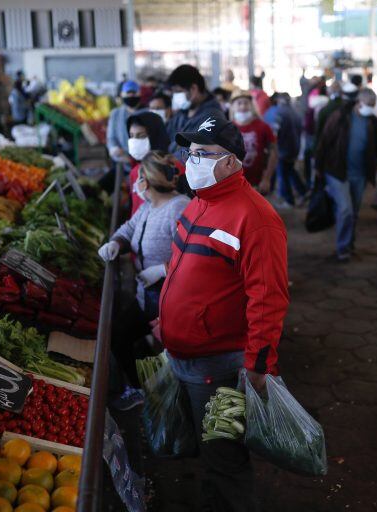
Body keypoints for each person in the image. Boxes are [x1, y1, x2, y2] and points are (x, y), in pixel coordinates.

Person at [157, 111, 289, 511]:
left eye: (203, 153)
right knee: (207, 448)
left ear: (231, 160)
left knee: (224, 458)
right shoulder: (199, 203)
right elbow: (181, 268)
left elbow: (269, 298)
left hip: (220, 366)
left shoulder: (256, 219)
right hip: (184, 355)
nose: (191, 161)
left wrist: (259, 365)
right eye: (190, 152)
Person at [99, 151, 190, 409]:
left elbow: (194, 258)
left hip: (171, 300)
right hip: (145, 296)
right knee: (118, 336)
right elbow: (129, 228)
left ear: (147, 182)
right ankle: (143, 391)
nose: (136, 183)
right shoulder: (150, 207)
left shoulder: (180, 209)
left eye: (139, 178)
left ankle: (176, 406)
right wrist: (116, 243)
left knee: (170, 354)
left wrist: (162, 269)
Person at [314, 88, 377, 261]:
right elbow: (324, 140)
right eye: (369, 105)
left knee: (354, 211)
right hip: (337, 171)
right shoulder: (340, 117)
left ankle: (349, 243)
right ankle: (342, 248)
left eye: (373, 105)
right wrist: (318, 166)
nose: (371, 109)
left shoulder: (372, 122)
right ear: (359, 102)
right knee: (345, 209)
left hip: (359, 174)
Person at [166, 64, 224, 157]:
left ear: (193, 89)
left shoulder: (213, 118)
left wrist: (168, 162)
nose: (174, 96)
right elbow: (167, 136)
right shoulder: (182, 113)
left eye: (178, 91)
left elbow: (199, 151)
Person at [230, 90, 277, 194]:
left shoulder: (263, 126)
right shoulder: (228, 128)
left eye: (246, 103)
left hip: (257, 183)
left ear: (251, 105)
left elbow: (273, 152)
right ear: (232, 106)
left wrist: (267, 179)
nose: (243, 106)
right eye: (239, 103)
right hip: (233, 184)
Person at [125, 111, 172, 215]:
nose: (135, 141)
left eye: (141, 136)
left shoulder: (172, 169)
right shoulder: (135, 171)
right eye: (131, 136)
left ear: (155, 136)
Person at [264, 92, 306, 206]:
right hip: (294, 147)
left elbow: (274, 134)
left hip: (282, 150)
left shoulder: (277, 113)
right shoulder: (295, 111)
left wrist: (271, 149)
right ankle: (303, 191)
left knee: (283, 175)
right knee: (290, 170)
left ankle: (289, 200)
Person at [314, 82, 357, 151]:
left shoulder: (326, 109)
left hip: (329, 146)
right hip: (345, 145)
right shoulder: (349, 108)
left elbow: (319, 132)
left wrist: (316, 150)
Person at [107, 80, 142, 164]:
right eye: (128, 93)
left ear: (139, 94)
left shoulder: (147, 112)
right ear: (122, 95)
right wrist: (114, 148)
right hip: (123, 160)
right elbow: (111, 137)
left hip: (143, 160)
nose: (131, 96)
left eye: (133, 93)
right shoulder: (116, 114)